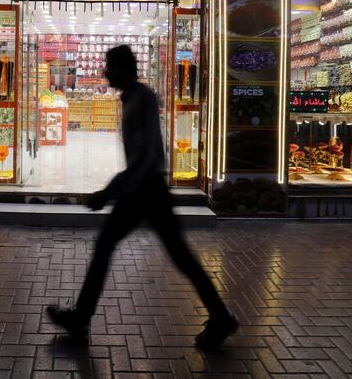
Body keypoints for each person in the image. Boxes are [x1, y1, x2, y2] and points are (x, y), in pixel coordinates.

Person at [46, 45, 239, 350]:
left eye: (109, 66)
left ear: (123, 68)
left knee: (172, 256)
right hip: (141, 189)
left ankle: (82, 319)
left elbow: (146, 155)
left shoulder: (142, 99)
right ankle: (219, 315)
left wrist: (108, 192)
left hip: (146, 190)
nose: (105, 72)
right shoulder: (132, 98)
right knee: (159, 253)